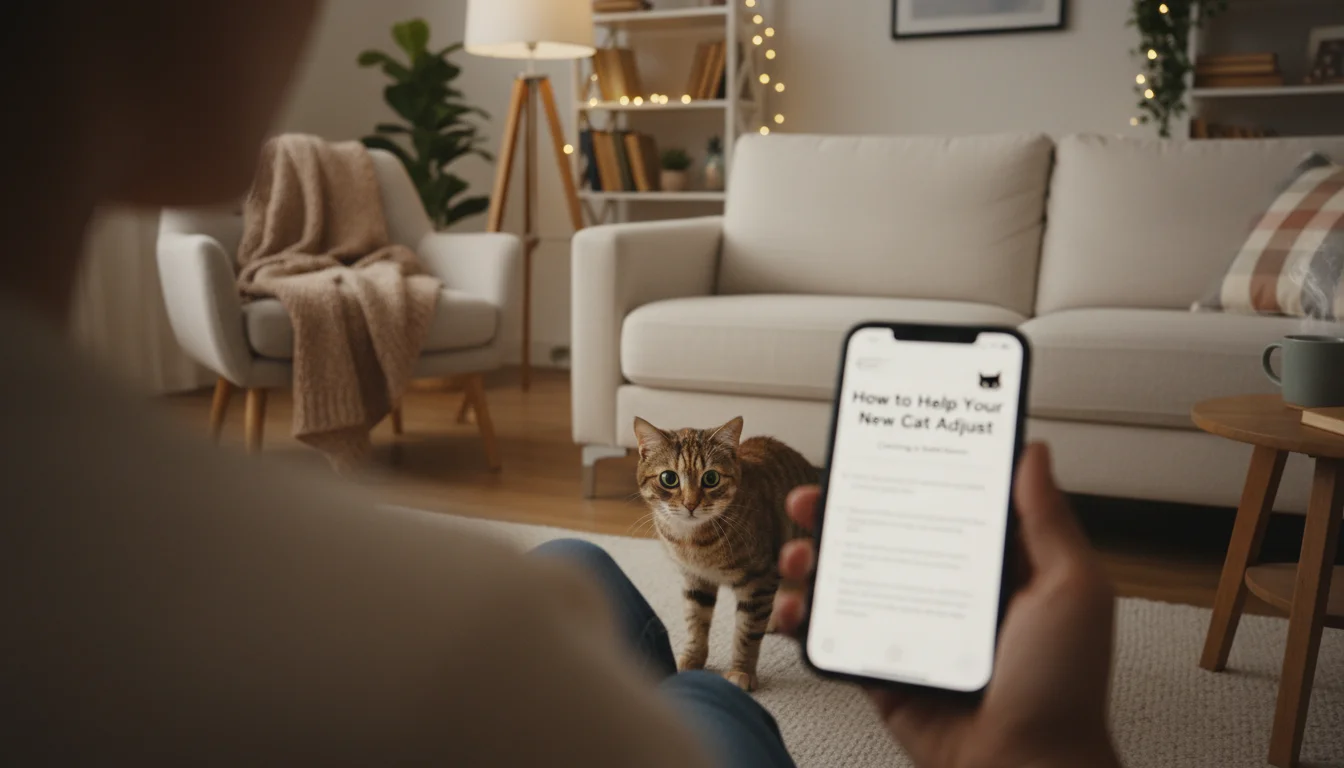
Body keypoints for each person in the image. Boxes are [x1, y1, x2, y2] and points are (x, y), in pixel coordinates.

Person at [0, 2, 1120, 765]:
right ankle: (713, 690)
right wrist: (1038, 754)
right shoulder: (471, 657)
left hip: (652, 567)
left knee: (580, 561)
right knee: (711, 691)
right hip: (646, 690)